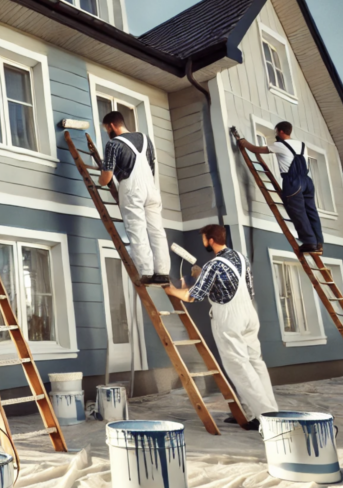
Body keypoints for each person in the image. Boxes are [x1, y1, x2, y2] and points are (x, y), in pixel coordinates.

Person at [163, 225, 278, 430]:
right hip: (249, 314)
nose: (203, 243)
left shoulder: (213, 265)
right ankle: (257, 412)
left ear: (210, 240)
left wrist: (170, 290)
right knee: (255, 363)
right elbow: (236, 286)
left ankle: (267, 418)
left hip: (229, 316)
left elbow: (191, 296)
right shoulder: (240, 258)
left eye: (204, 239)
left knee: (239, 367)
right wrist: (201, 276)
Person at [99, 111, 169, 285]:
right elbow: (151, 166)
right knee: (157, 230)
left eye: (106, 128)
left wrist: (99, 182)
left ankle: (146, 271)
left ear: (111, 126)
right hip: (151, 189)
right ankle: (162, 272)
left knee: (136, 229)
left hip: (131, 188)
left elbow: (107, 177)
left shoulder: (113, 144)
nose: (107, 131)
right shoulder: (145, 139)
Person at [236, 121, 323, 253]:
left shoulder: (279, 145)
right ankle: (318, 242)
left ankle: (310, 242)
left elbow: (256, 149)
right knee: (311, 211)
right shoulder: (302, 145)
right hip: (307, 181)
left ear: (281, 131)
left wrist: (243, 142)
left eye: (276, 131)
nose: (275, 134)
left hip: (293, 182)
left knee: (298, 212)